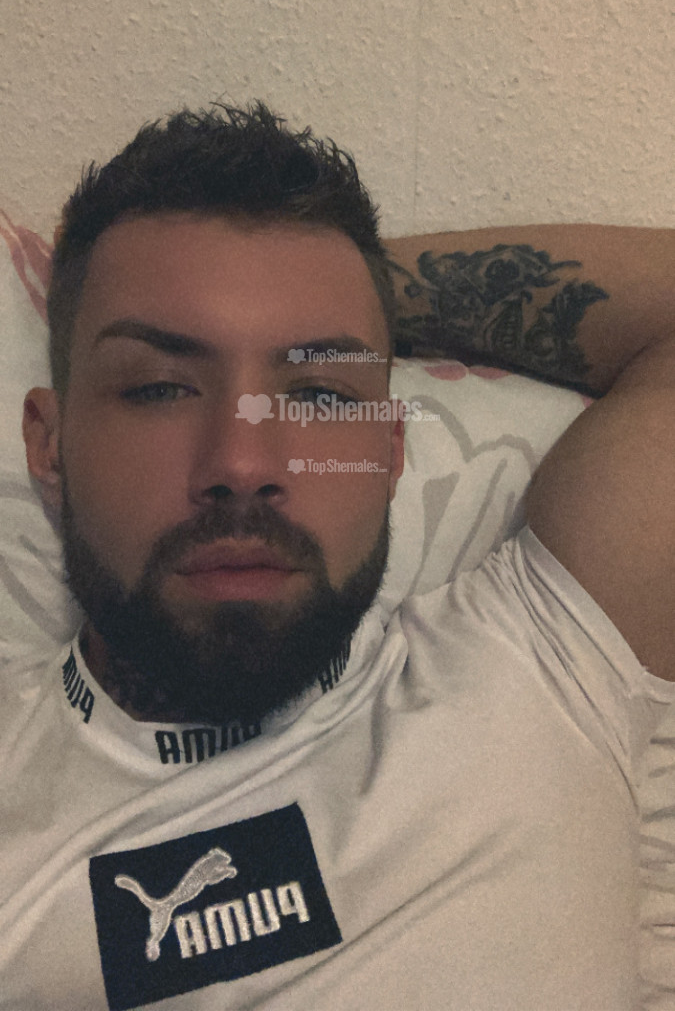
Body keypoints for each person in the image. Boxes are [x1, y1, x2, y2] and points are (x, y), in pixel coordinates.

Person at [3, 101, 674, 1010]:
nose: (242, 464)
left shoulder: (544, 671)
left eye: (320, 394)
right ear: (48, 445)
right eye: (159, 387)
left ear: (389, 451)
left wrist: (364, 290)